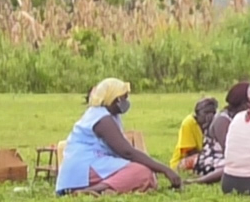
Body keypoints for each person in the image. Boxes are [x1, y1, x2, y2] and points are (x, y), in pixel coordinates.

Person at [56, 79, 185, 195]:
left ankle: (106, 190)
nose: (126, 101)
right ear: (115, 98)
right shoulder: (101, 119)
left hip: (94, 164)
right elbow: (127, 152)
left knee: (146, 174)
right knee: (142, 173)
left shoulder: (108, 116)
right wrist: (165, 169)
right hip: (85, 167)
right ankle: (92, 191)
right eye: (124, 97)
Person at [197, 81, 250, 182]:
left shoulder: (240, 118)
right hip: (213, 161)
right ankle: (199, 181)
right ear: (243, 103)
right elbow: (229, 150)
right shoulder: (223, 120)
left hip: (229, 158)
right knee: (238, 166)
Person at [170, 97, 217, 174]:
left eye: (213, 113)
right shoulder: (189, 123)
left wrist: (209, 127)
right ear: (197, 113)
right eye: (206, 113)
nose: (209, 116)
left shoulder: (215, 123)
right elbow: (190, 152)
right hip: (184, 160)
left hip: (204, 157)